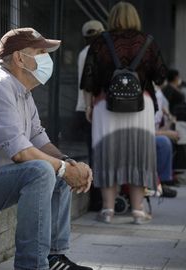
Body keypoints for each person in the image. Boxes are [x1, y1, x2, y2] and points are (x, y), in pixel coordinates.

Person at [0, 28, 93, 270]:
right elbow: (21, 152)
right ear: (20, 58)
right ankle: (32, 265)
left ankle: (54, 258)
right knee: (43, 171)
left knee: (56, 170)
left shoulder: (21, 91)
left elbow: (39, 139)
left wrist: (69, 163)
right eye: (41, 51)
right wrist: (65, 169)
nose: (47, 58)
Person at [81, 1, 167, 224]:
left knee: (107, 154)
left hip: (105, 105)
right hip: (141, 106)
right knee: (139, 153)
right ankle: (138, 211)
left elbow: (88, 79)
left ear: (112, 18)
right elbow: (160, 76)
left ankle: (108, 210)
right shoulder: (147, 42)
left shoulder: (100, 42)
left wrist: (89, 106)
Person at [76, 20, 104, 211]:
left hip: (82, 108)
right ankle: (101, 199)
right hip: (95, 109)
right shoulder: (100, 53)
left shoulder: (82, 53)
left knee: (93, 155)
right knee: (101, 155)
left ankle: (96, 200)